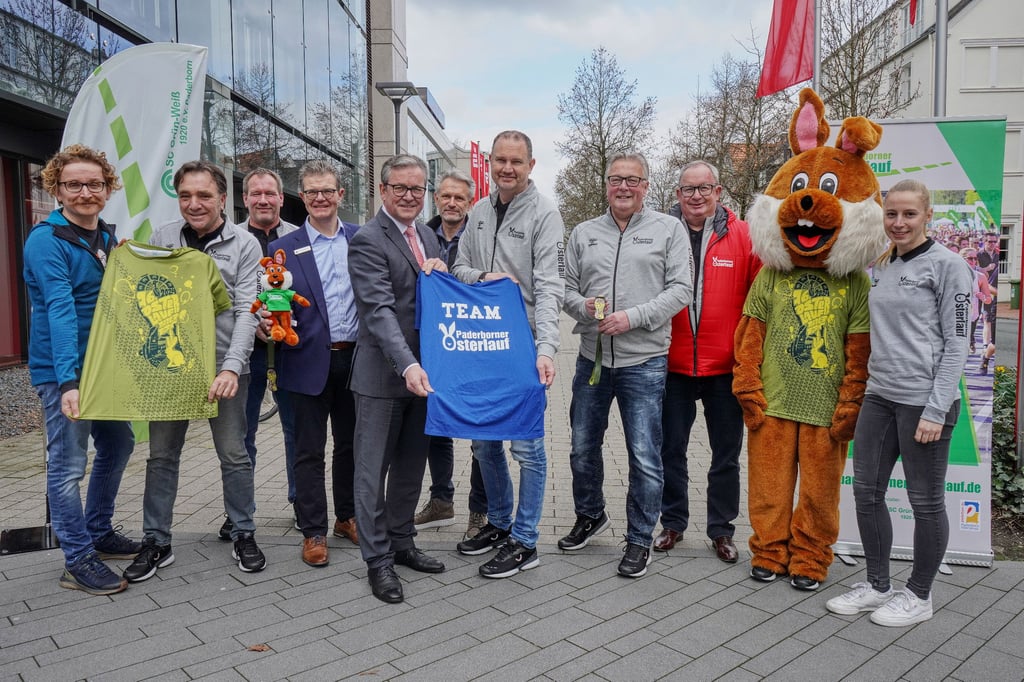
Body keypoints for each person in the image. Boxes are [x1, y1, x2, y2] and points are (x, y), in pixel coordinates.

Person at [826, 179, 972, 627]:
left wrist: (935, 409)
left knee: (925, 501)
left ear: (928, 215)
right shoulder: (885, 263)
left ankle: (920, 595)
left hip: (924, 403)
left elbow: (958, 343)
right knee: (866, 492)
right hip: (880, 396)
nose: (899, 222)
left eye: (909, 214)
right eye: (892, 213)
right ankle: (878, 585)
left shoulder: (949, 266)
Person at [125, 161, 266, 581]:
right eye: (185, 195)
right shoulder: (163, 238)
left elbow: (247, 311)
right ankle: (156, 541)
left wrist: (232, 368)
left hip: (225, 368)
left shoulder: (245, 244)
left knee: (234, 455)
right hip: (172, 367)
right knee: (161, 457)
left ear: (222, 199)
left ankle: (243, 532)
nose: (194, 204)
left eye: (204, 195)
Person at [560, 152, 691, 578]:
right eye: (616, 179)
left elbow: (681, 290)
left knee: (644, 456)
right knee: (581, 448)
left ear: (646, 186)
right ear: (606, 185)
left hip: (644, 362)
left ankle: (638, 538)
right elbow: (564, 289)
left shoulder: (668, 229)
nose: (623, 187)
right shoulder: (584, 233)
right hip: (591, 360)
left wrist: (632, 318)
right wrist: (584, 307)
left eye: (632, 180)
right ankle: (590, 515)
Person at [23, 144, 139, 595]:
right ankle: (77, 558)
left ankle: (98, 530)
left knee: (119, 442)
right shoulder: (46, 241)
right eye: (74, 185)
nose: (85, 192)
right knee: (68, 464)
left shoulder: (105, 237)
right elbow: (60, 309)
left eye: (94, 184)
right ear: (57, 189)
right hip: (64, 372)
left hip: (102, 366)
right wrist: (68, 381)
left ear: (108, 189)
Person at [451, 130, 565, 578]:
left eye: (516, 161)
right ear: (491, 163)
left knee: (527, 447)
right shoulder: (478, 212)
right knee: (483, 442)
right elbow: (459, 268)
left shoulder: (545, 214)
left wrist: (547, 349)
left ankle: (526, 539)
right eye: (500, 160)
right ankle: (499, 523)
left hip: (524, 348)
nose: (507, 168)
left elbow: (551, 288)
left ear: (531, 165)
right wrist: (486, 278)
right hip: (482, 346)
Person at [347, 154, 448, 603]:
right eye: (400, 188)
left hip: (426, 376)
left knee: (410, 466)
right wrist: (407, 365)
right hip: (385, 376)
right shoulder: (368, 240)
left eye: (417, 189)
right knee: (372, 474)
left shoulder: (427, 235)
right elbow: (379, 311)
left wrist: (449, 273)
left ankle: (403, 542)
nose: (409, 196)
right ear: (383, 190)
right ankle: (378, 561)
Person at [653, 161, 761, 563]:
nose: (696, 196)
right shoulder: (661, 233)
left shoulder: (744, 235)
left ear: (718, 191)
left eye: (704, 188)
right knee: (671, 451)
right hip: (673, 364)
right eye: (688, 189)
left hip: (726, 367)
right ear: (677, 194)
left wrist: (753, 356)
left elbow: (760, 296)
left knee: (726, 455)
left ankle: (722, 530)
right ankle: (672, 523)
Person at [271, 159, 360, 567]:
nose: (320, 198)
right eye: (312, 192)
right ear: (302, 197)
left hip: (356, 361)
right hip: (306, 363)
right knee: (308, 451)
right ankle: (313, 531)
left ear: (341, 194)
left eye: (327, 190)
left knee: (351, 446)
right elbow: (274, 305)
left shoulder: (361, 239)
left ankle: (347, 517)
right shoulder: (281, 250)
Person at [217, 168, 299, 541]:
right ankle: (240, 512)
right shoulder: (229, 239)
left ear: (281, 198)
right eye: (255, 193)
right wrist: (253, 324)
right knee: (241, 434)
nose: (263, 199)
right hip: (243, 351)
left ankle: (302, 504)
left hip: (291, 349)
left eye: (270, 193)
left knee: (297, 432)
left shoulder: (298, 238)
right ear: (245, 198)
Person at [414, 169, 489, 538]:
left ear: (470, 202)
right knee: (436, 426)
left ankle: (480, 511)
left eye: (459, 197)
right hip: (434, 346)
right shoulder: (420, 236)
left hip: (473, 345)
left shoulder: (482, 237)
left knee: (481, 432)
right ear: (436, 198)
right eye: (446, 196)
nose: (452, 203)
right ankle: (441, 501)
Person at [961, 247, 994, 356]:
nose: (973, 261)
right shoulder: (951, 274)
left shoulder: (980, 277)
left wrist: (983, 297)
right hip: (955, 311)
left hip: (972, 312)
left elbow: (988, 300)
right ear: (962, 259)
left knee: (968, 334)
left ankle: (970, 341)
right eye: (970, 258)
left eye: (975, 259)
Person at [976, 231, 1000, 374]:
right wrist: (986, 269)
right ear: (984, 242)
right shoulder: (978, 255)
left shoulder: (998, 256)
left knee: (988, 321)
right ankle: (985, 347)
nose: (992, 244)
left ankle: (985, 353)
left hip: (993, 293)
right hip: (981, 291)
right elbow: (973, 270)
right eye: (989, 241)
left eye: (994, 241)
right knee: (986, 320)